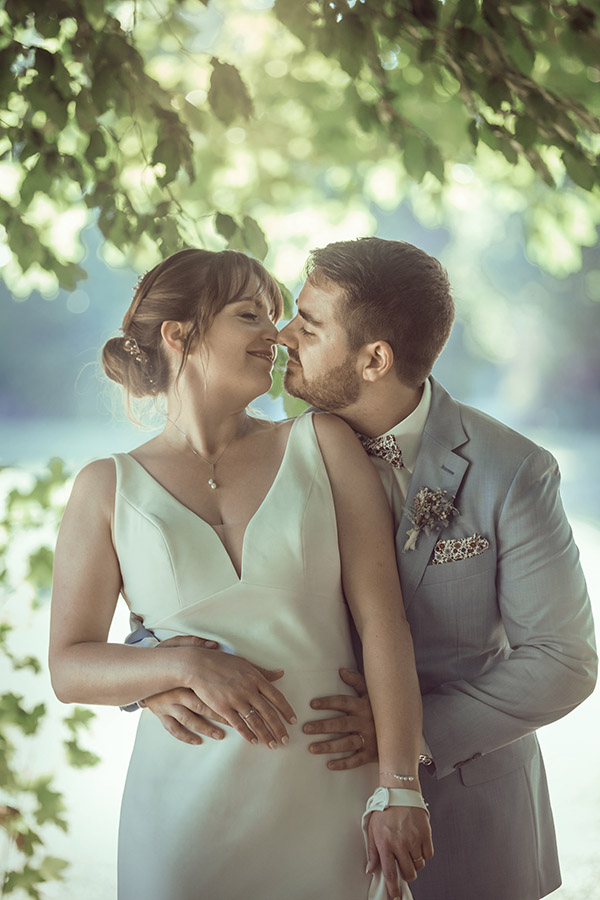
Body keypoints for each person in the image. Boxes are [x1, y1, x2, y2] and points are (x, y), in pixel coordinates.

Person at [139, 239, 597, 900]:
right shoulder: (265, 454)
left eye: (309, 325)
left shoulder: (513, 471)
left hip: (468, 823)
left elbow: (562, 661)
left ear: (375, 358)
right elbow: (167, 606)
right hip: (306, 813)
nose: (281, 335)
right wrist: (151, 679)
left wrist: (406, 734)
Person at [48, 247, 433, 900]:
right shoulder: (105, 487)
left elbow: (382, 621)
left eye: (277, 317)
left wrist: (400, 784)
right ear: (179, 335)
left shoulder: (322, 443)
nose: (276, 335)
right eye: (250, 314)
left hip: (333, 805)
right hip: (183, 818)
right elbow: (70, 666)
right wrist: (182, 666)